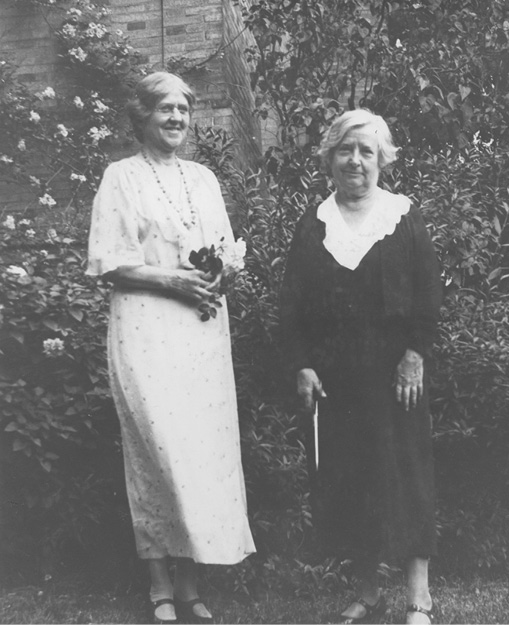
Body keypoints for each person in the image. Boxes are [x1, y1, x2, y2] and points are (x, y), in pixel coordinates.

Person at [87, 71, 256, 625]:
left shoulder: (204, 179)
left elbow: (228, 252)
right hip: (146, 330)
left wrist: (217, 279)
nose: (177, 118)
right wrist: (173, 280)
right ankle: (159, 584)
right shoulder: (120, 178)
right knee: (155, 450)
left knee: (200, 454)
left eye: (184, 108)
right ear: (143, 116)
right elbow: (110, 261)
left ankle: (190, 584)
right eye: (166, 109)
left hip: (203, 330)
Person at [280, 109, 442, 625]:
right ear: (330, 158)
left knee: (408, 474)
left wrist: (415, 356)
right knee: (351, 479)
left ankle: (419, 595)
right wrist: (302, 365)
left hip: (397, 377)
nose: (355, 161)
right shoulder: (314, 225)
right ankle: (368, 591)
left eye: (366, 151)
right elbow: (293, 307)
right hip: (338, 379)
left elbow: (428, 295)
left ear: (383, 161)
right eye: (346, 150)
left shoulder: (403, 217)